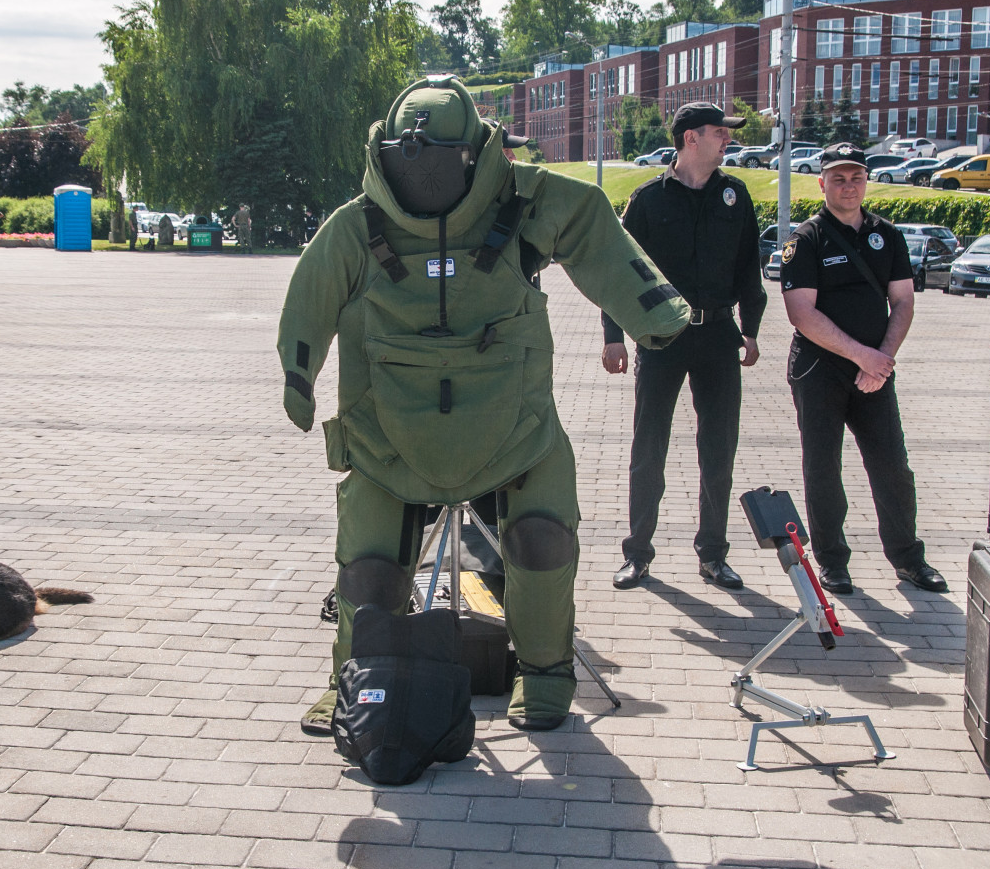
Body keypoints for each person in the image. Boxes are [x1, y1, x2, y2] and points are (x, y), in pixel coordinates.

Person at [278, 76, 690, 733]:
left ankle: (546, 671)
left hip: (514, 430)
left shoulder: (524, 202)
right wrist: (297, 376)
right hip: (390, 430)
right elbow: (312, 293)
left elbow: (589, 225)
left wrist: (653, 307)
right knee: (369, 564)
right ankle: (351, 678)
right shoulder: (359, 225)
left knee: (543, 537)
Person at [601, 102, 767, 592]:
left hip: (718, 336)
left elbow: (748, 269)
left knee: (718, 451)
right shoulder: (648, 199)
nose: (728, 140)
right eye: (720, 133)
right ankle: (638, 554)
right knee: (648, 448)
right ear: (690, 139)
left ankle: (713, 556)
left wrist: (751, 328)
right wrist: (613, 335)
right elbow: (619, 271)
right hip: (662, 336)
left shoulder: (735, 195)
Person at [779, 143, 946, 596]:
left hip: (875, 371)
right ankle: (833, 563)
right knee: (823, 469)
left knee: (893, 467)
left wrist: (882, 360)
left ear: (865, 182)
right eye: (838, 178)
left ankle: (909, 559)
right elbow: (801, 314)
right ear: (822, 183)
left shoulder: (886, 235)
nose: (848, 186)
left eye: (855, 177)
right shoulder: (806, 238)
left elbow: (904, 301)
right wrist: (861, 356)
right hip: (820, 369)